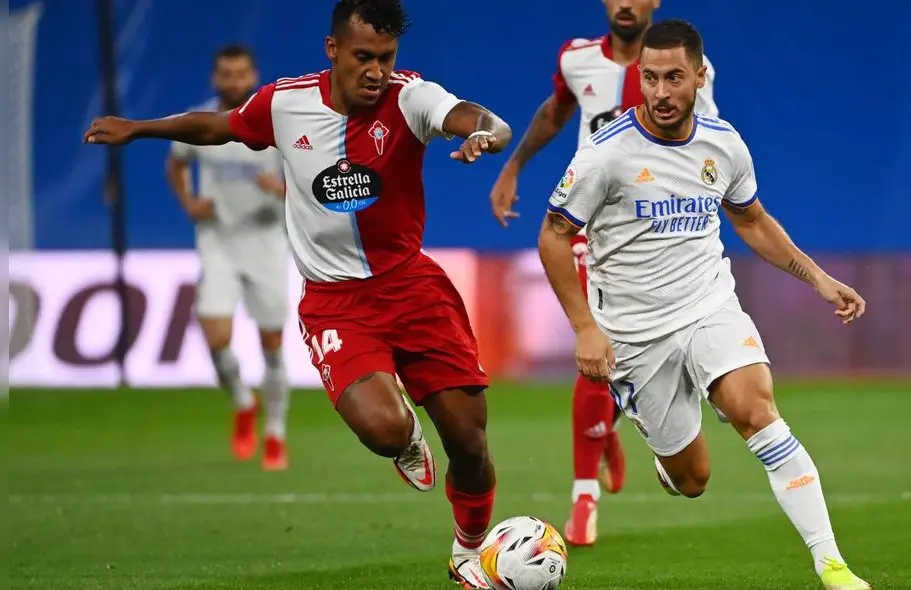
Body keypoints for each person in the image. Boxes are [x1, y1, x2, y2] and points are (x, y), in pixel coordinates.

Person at [85, 2, 511, 587]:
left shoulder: (411, 97)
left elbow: (481, 118)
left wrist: (487, 135)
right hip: (336, 301)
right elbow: (217, 126)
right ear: (333, 50)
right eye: (363, 57)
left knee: (469, 441)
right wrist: (139, 129)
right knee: (384, 430)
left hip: (412, 288)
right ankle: (408, 438)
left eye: (386, 58)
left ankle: (468, 550)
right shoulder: (286, 103)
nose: (376, 71)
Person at [536, 19, 870, 590]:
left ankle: (831, 565)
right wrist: (584, 328)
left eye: (673, 78)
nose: (661, 93)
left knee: (756, 410)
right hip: (636, 336)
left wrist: (818, 279)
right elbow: (552, 236)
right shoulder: (605, 154)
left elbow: (752, 220)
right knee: (693, 480)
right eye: (650, 78)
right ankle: (667, 460)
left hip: (708, 305)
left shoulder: (724, 143)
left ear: (699, 76)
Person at [489, 0, 719, 547]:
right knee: (594, 350)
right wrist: (514, 166)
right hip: (592, 230)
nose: (624, 4)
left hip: (652, 232)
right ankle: (583, 494)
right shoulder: (578, 59)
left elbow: (702, 142)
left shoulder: (686, 69)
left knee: (614, 361)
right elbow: (554, 114)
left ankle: (614, 415)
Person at [164, 44, 290, 471]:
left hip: (267, 243)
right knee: (216, 337)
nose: (234, 81)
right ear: (216, 78)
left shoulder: (276, 123)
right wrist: (188, 201)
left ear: (253, 75)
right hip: (218, 242)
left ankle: (275, 434)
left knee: (272, 346)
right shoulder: (200, 123)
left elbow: (310, 180)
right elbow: (175, 164)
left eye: (241, 74)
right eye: (226, 74)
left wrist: (284, 191)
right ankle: (242, 401)